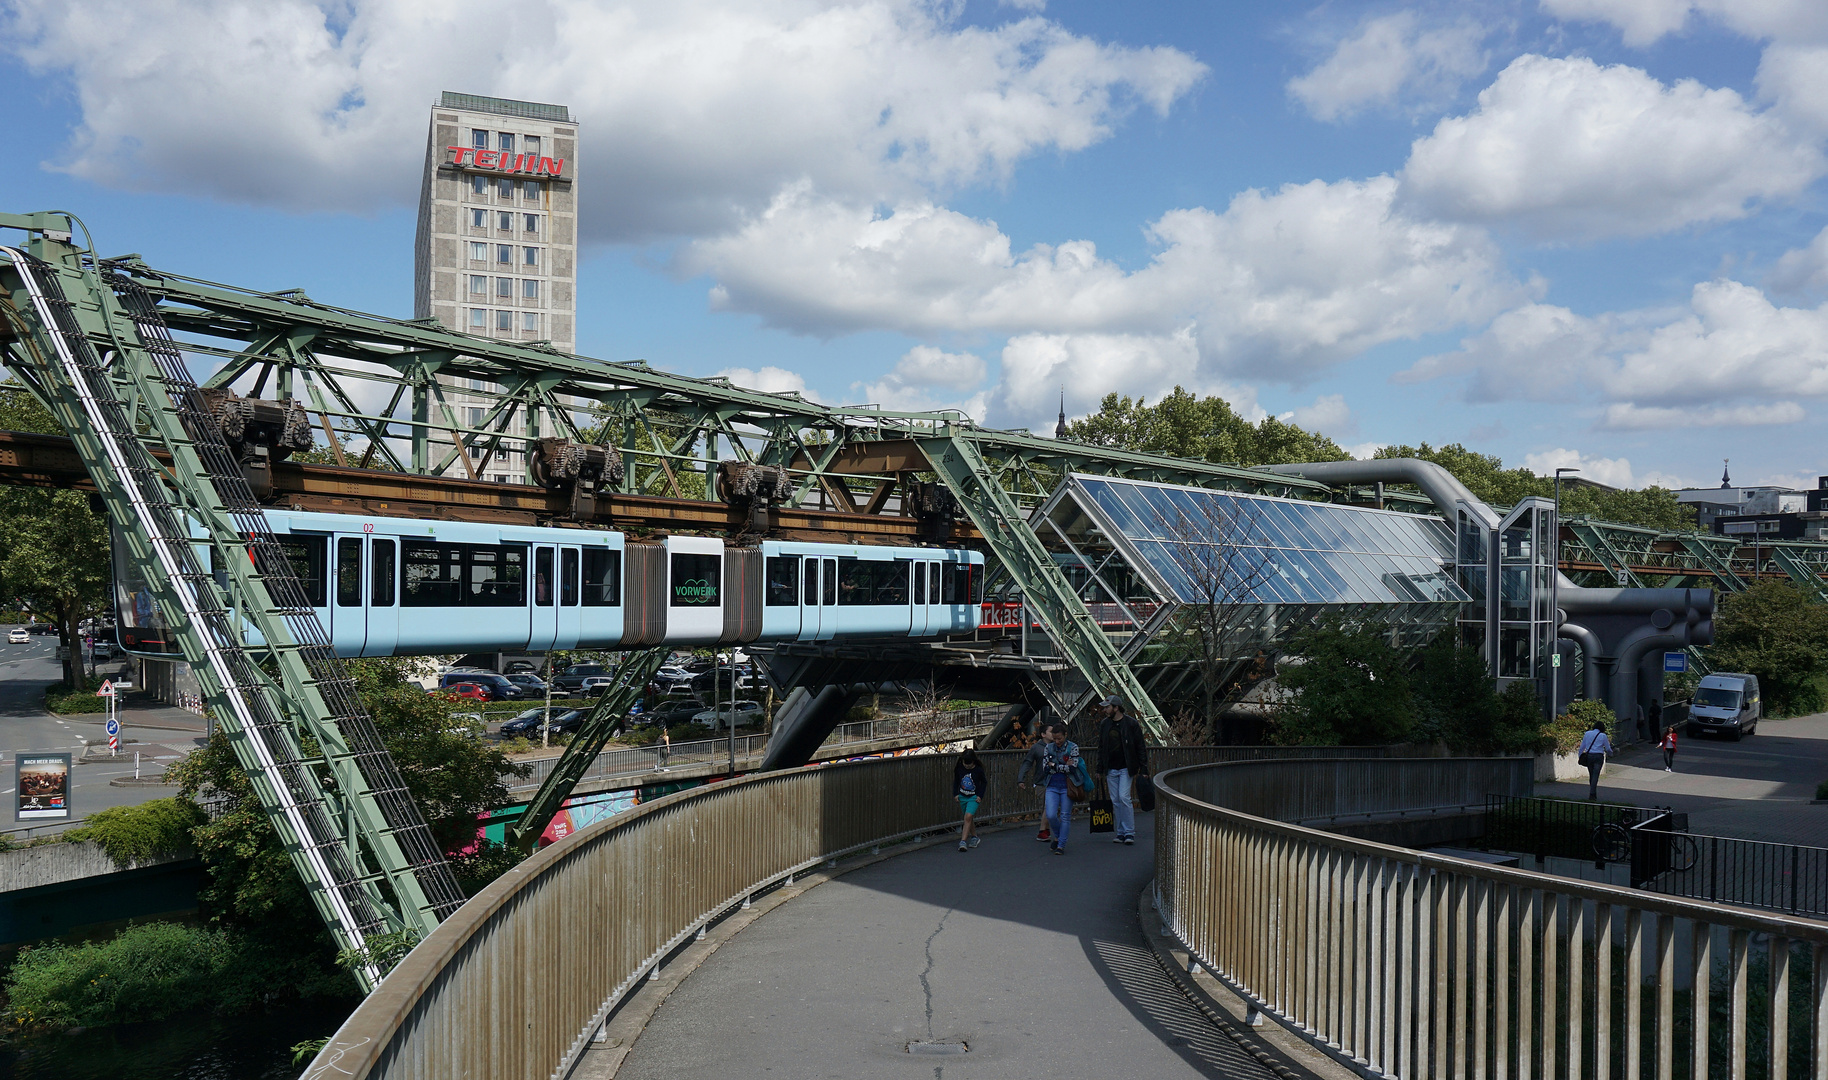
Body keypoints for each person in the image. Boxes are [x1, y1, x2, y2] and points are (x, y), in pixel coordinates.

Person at [1095, 695, 1149, 846]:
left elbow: (1140, 746)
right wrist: (1099, 768)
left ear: (1116, 707)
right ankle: (1121, 832)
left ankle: (1129, 832)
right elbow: (1101, 747)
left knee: (1123, 797)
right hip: (1111, 767)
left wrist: (1144, 768)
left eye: (1107, 707)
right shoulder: (1105, 724)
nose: (1105, 710)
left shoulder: (1131, 724)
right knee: (1117, 800)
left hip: (1126, 766)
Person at [1039, 724, 1082, 854]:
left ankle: (1061, 844)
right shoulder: (1048, 747)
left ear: (1065, 736)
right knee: (1051, 815)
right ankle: (1058, 836)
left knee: (1065, 815)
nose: (1057, 742)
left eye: (1060, 739)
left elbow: (1073, 767)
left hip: (1067, 786)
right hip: (1052, 785)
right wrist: (1063, 766)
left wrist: (1054, 766)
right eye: (1055, 739)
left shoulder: (1073, 747)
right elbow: (1045, 767)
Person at [1017, 721, 1056, 842]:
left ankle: (1045, 830)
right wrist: (1021, 779)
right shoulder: (1036, 748)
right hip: (1041, 782)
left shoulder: (1057, 746)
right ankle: (1042, 831)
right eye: (1051, 731)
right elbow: (1027, 762)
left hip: (1055, 781)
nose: (1053, 734)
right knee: (1047, 806)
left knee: (1051, 807)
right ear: (1043, 734)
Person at [954, 748, 987, 852]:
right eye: (965, 763)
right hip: (962, 795)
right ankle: (974, 837)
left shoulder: (978, 770)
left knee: (968, 816)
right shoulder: (959, 768)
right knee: (968, 818)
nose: (967, 766)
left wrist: (980, 796)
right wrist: (955, 794)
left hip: (974, 797)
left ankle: (963, 841)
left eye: (969, 764)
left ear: (973, 761)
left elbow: (984, 783)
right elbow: (956, 781)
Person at [1578, 718, 1614, 800]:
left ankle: (1592, 792)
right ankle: (1592, 793)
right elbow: (1608, 748)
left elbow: (1582, 747)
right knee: (1595, 775)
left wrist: (1580, 756)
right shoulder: (1603, 736)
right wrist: (1611, 754)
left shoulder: (1587, 734)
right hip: (1598, 756)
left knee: (1591, 774)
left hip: (1589, 756)